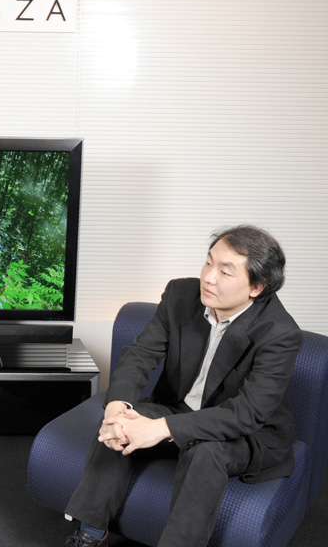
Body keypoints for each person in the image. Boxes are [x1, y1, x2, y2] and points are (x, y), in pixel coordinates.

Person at [63, 225, 303, 547]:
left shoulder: (280, 333)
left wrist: (161, 428)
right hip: (179, 408)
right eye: (208, 262)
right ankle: (91, 534)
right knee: (123, 420)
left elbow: (247, 413)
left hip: (244, 434)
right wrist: (117, 406)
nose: (209, 278)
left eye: (225, 272)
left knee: (207, 451)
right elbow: (140, 354)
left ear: (256, 287)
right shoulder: (179, 294)